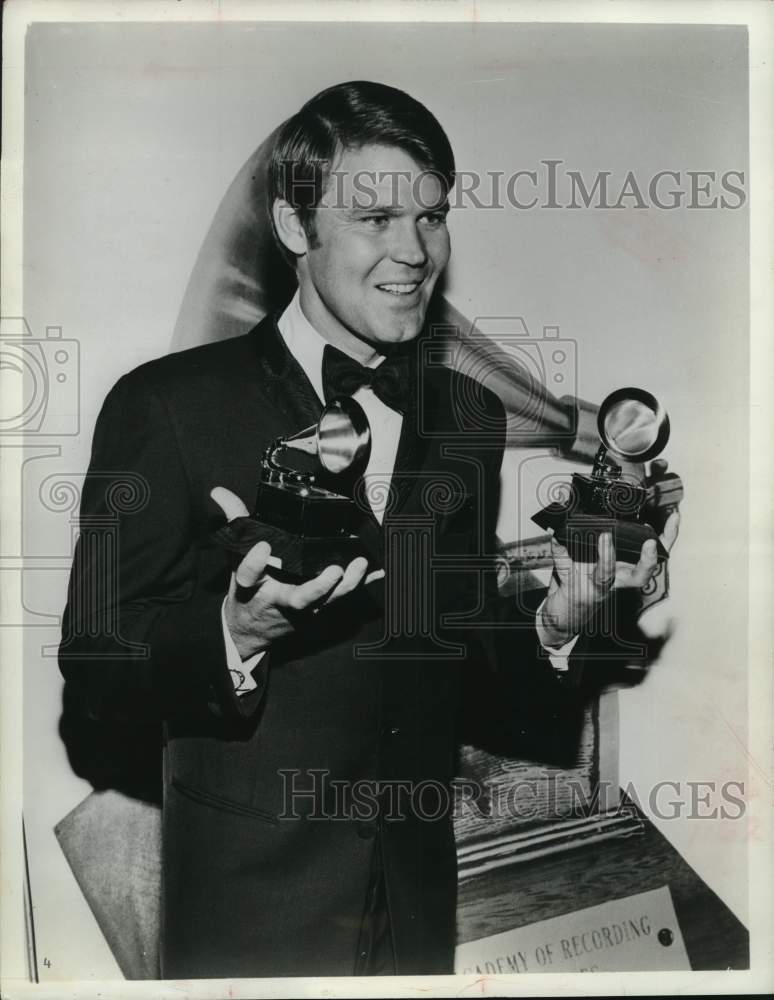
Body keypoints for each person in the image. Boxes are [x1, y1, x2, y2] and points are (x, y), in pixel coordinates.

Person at [59, 80, 678, 978]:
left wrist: (558, 621)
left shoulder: (467, 415)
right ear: (291, 226)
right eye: (376, 218)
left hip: (418, 905)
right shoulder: (164, 406)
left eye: (430, 218)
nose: (414, 251)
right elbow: (96, 658)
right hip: (249, 913)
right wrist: (234, 633)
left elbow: (451, 640)